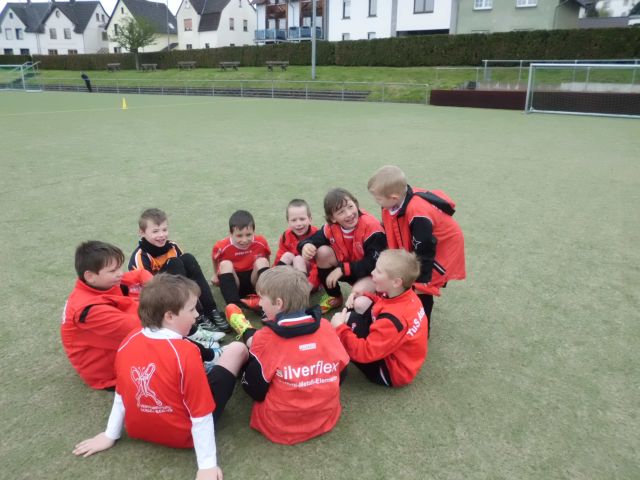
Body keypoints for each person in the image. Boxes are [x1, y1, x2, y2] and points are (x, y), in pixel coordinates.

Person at [72, 274, 249, 480]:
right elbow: (200, 413)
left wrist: (110, 434)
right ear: (170, 316)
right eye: (192, 309)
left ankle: (212, 360)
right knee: (237, 349)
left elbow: (121, 393)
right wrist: (207, 466)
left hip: (140, 429)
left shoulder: (129, 340)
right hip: (184, 434)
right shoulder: (186, 352)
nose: (196, 315)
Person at [224, 266, 349, 445]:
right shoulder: (326, 327)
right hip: (324, 416)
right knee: (263, 345)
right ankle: (248, 334)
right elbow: (341, 373)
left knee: (251, 350)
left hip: (280, 425)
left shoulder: (266, 338)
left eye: (261, 298)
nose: (259, 304)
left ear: (279, 303)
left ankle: (246, 331)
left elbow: (255, 390)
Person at [367, 165, 465, 325]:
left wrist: (420, 281)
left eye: (379, 199)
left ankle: (422, 326)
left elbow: (425, 251)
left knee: (422, 289)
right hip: (425, 243)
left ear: (394, 197)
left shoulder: (418, 213)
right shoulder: (397, 201)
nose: (377, 203)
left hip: (441, 248)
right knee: (410, 279)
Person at [61, 241, 151, 390]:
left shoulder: (100, 284)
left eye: (119, 267)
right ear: (90, 276)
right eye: (113, 270)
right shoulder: (88, 310)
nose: (120, 273)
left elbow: (140, 274)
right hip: (108, 373)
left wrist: (155, 287)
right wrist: (159, 299)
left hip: (114, 347)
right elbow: (140, 327)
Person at [331, 250, 428, 387]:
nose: (372, 272)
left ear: (396, 282)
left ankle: (325, 363)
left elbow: (365, 353)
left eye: (378, 271)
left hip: (390, 372)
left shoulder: (393, 320)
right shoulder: (406, 294)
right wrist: (364, 294)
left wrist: (340, 328)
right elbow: (386, 303)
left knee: (346, 322)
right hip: (401, 356)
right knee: (360, 304)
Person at [129, 208, 229, 333]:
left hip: (174, 292)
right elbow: (149, 291)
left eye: (164, 230)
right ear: (142, 232)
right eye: (155, 231)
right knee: (174, 263)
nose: (161, 235)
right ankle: (197, 319)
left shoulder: (173, 246)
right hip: (156, 300)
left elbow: (187, 280)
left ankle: (211, 310)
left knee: (187, 259)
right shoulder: (140, 257)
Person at [298, 188, 387, 313]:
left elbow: (373, 263)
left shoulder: (372, 227)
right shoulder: (331, 227)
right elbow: (313, 240)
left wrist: (343, 269)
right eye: (341, 212)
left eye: (350, 206)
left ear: (356, 204)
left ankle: (378, 297)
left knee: (358, 301)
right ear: (333, 218)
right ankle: (335, 297)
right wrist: (305, 246)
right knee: (322, 253)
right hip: (348, 268)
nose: (349, 214)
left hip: (372, 274)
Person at [211, 210, 271, 313]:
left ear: (254, 231)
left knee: (262, 261)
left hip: (254, 281)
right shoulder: (221, 246)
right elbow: (215, 259)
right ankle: (235, 308)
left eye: (248, 235)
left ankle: (267, 302)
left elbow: (267, 257)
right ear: (231, 233)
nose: (244, 240)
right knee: (225, 264)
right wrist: (215, 274)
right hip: (235, 282)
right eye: (239, 236)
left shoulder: (261, 242)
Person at [273, 198, 320, 291]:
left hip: (310, 279)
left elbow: (318, 266)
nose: (298, 223)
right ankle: (274, 284)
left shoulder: (317, 235)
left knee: (299, 259)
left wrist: (311, 284)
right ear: (288, 222)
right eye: (293, 220)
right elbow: (279, 257)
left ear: (310, 219)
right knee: (287, 255)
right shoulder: (286, 236)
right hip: (292, 274)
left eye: (302, 219)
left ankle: (301, 291)